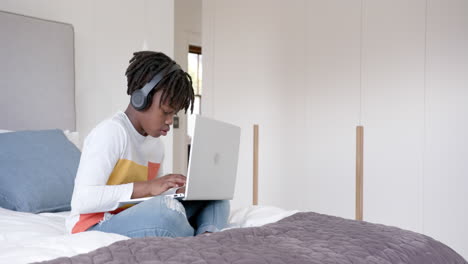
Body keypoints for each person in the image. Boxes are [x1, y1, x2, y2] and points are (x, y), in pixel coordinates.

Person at [66, 51, 230, 238]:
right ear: (141, 98)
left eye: (173, 114)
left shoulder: (156, 146)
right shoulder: (111, 132)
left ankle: (206, 236)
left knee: (216, 199)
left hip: (137, 216)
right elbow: (82, 200)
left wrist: (176, 191)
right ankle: (197, 234)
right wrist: (148, 186)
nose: (170, 121)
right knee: (166, 212)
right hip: (94, 224)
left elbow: (149, 200)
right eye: (166, 112)